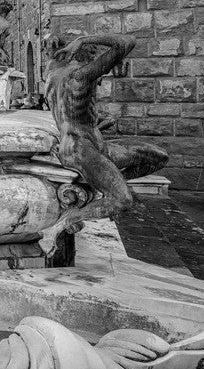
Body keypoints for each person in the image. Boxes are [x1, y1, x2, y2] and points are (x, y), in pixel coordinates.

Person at [38, 35, 168, 252]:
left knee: (158, 156)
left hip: (93, 144)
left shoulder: (52, 72)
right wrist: (82, 39)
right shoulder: (80, 77)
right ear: (90, 60)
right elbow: (126, 43)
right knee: (123, 200)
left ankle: (109, 184)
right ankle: (65, 222)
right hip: (79, 150)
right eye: (101, 63)